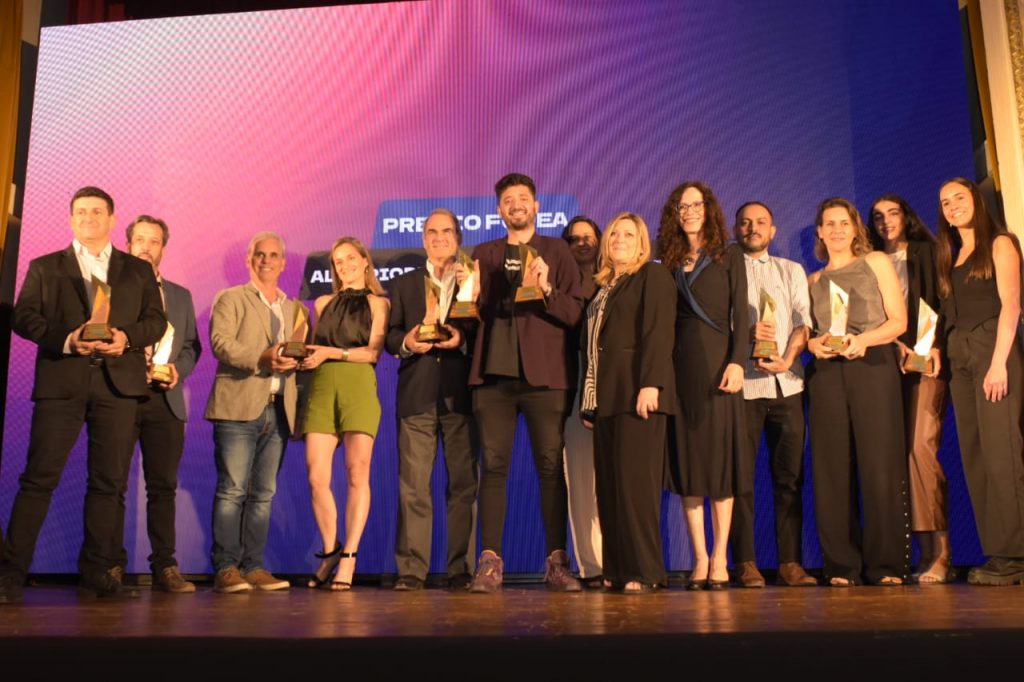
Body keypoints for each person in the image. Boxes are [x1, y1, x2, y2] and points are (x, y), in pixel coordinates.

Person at [0, 186, 166, 605]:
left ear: (112, 220)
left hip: (120, 386)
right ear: (71, 219)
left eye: (97, 211)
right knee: (38, 480)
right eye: (80, 212)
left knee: (108, 485)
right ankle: (8, 575)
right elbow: (24, 317)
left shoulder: (137, 269)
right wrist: (69, 339)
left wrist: (126, 338)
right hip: (62, 383)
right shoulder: (45, 266)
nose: (88, 217)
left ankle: (97, 575)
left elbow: (156, 322)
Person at [460, 172, 584, 593]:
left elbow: (573, 314)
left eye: (524, 198)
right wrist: (466, 296)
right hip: (494, 376)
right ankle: (490, 562)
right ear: (499, 210)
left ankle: (557, 562)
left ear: (536, 206)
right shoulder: (483, 253)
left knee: (551, 468)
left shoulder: (556, 251)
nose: (516, 203)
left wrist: (546, 287)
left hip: (546, 378)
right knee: (492, 468)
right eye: (508, 199)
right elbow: (470, 318)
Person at [806, 197, 909, 587]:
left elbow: (898, 321)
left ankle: (886, 566)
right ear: (819, 231)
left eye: (843, 223)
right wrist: (813, 345)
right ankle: (841, 565)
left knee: (879, 464)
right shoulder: (813, 280)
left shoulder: (876, 262)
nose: (836, 230)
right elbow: (810, 333)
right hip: (827, 375)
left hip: (872, 365)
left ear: (855, 228)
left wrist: (863, 340)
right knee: (832, 469)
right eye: (828, 223)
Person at [205, 231, 307, 593]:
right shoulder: (230, 298)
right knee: (232, 490)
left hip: (279, 410)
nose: (266, 260)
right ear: (250, 260)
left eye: (273, 255)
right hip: (237, 407)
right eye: (259, 254)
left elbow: (295, 355)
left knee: (263, 494)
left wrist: (302, 361)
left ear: (283, 262)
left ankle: (253, 566)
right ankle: (226, 567)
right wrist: (263, 357)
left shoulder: (296, 308)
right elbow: (222, 345)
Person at [659, 181, 748, 591]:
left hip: (720, 370)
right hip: (682, 373)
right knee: (690, 465)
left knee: (720, 467)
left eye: (695, 204)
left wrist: (737, 362)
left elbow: (741, 318)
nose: (689, 211)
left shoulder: (729, 254)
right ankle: (698, 558)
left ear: (709, 208)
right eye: (682, 206)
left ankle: (720, 558)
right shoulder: (670, 258)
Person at [579, 213, 675, 594]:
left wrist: (651, 383)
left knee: (637, 489)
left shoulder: (652, 276)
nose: (619, 238)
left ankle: (646, 571)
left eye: (628, 234)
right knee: (611, 489)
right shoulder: (601, 287)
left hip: (639, 395)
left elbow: (659, 332)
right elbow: (593, 349)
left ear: (641, 242)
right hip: (605, 400)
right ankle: (617, 569)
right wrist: (590, 402)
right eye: (614, 233)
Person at [936, 177, 1024, 586]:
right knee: (975, 456)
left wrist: (999, 363)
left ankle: (1017, 555)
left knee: (1001, 453)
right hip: (960, 359)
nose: (952, 206)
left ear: (976, 199)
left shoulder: (1000, 243)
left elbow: (1012, 306)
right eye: (945, 202)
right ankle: (999, 552)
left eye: (959, 198)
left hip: (993, 352)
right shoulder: (952, 255)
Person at [386, 210, 476, 591]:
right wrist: (407, 342)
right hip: (417, 396)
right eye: (431, 232)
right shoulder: (405, 284)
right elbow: (389, 336)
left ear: (457, 238)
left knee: (463, 488)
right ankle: (412, 571)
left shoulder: (472, 279)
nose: (439, 238)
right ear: (423, 239)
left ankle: (460, 569)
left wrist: (463, 340)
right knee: (414, 488)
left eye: (446, 232)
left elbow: (486, 331)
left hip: (461, 396)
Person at [728, 202, 817, 588]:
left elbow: (803, 320)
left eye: (761, 222)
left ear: (773, 230)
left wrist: (788, 357)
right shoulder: (725, 271)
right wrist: (744, 338)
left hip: (789, 384)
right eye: (746, 223)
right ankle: (745, 562)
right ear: (736, 229)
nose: (753, 228)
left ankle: (791, 562)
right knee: (740, 480)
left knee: (789, 479)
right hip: (743, 387)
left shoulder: (791, 270)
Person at [116, 215, 202, 593]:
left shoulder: (180, 295)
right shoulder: (111, 289)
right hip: (120, 395)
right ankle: (109, 565)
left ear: (163, 249)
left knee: (163, 487)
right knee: (111, 484)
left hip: (165, 402)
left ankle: (165, 566)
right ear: (128, 244)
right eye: (140, 240)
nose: (147, 247)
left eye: (154, 241)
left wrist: (176, 371)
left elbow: (190, 346)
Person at [869, 194, 951, 584]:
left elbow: (936, 306)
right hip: (885, 364)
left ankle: (942, 553)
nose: (886, 221)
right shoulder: (869, 261)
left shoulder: (926, 252)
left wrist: (924, 349)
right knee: (897, 456)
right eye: (878, 216)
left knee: (921, 449)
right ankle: (919, 553)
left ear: (907, 216)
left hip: (924, 359)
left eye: (894, 212)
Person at [301, 236, 388, 591]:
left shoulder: (379, 303)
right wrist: (305, 355)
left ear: (365, 261)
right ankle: (330, 549)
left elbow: (372, 354)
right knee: (316, 477)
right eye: (338, 261)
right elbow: (309, 347)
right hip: (322, 386)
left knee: (357, 473)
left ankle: (350, 556)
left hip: (357, 386)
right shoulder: (322, 302)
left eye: (351, 258)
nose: (345, 265)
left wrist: (328, 352)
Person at [561, 215, 604, 587]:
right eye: (573, 239)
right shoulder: (558, 287)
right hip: (572, 389)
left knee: (615, 480)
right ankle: (592, 566)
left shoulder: (616, 282)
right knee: (580, 480)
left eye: (589, 237)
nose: (582, 244)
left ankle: (619, 556)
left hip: (614, 388)